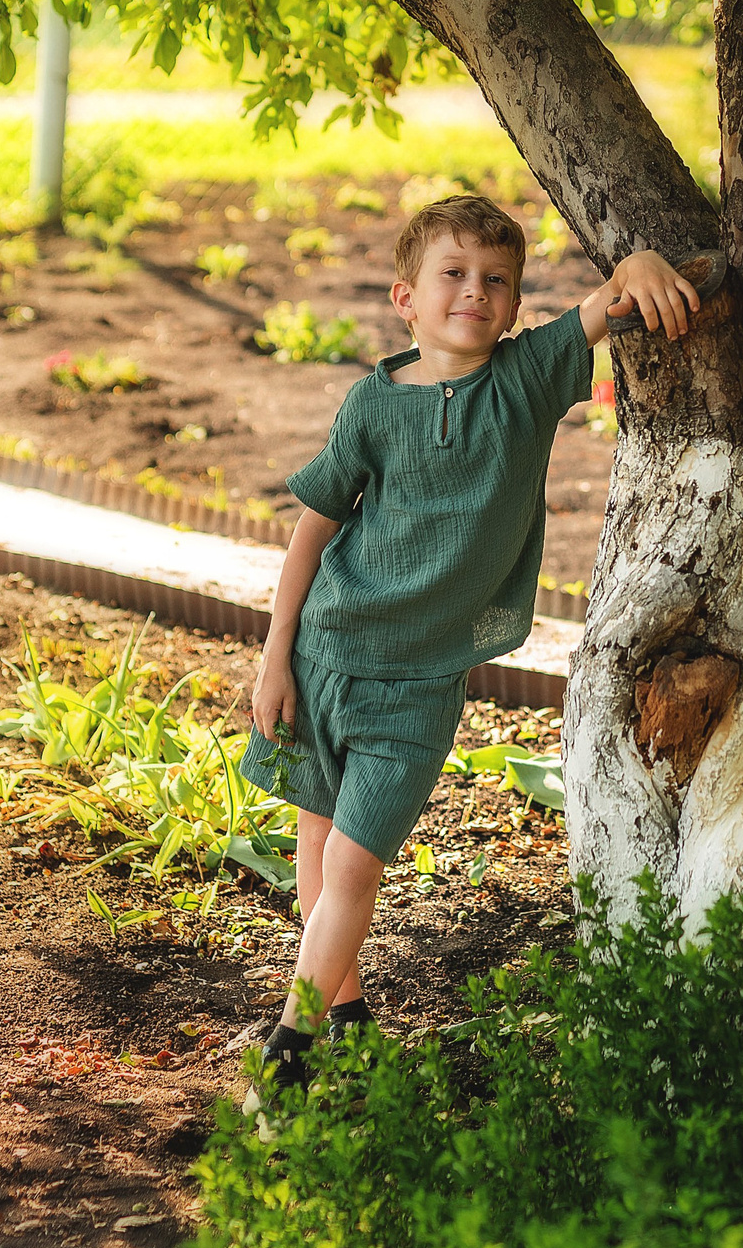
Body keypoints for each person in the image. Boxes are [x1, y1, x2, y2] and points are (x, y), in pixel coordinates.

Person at [236, 191, 698, 1092]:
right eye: (452, 274)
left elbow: (606, 307)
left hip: (418, 683)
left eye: (496, 280)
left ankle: (286, 1047)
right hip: (326, 652)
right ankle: (350, 1014)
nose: (474, 292)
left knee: (354, 864)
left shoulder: (525, 383)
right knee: (317, 850)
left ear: (515, 302)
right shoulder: (373, 402)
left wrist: (636, 269)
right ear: (406, 296)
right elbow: (314, 527)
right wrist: (274, 654)